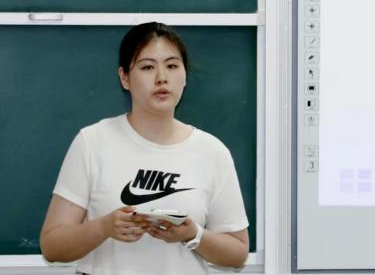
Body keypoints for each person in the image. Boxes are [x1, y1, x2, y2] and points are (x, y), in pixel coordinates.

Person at [40, 22, 249, 274]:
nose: (162, 77)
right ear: (124, 78)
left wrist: (193, 234)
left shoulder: (212, 151)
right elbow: (52, 246)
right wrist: (104, 227)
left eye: (172, 66)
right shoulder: (93, 141)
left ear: (185, 75)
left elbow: (237, 253)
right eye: (147, 67)